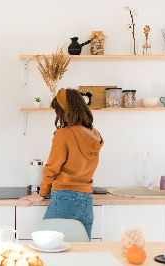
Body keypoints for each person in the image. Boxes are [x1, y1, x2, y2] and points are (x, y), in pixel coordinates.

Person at [20, 88, 103, 240]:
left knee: (46, 246)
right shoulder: (94, 135)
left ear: (65, 111)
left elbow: (52, 169)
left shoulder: (64, 134)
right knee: (81, 253)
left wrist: (42, 194)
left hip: (64, 199)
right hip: (86, 201)